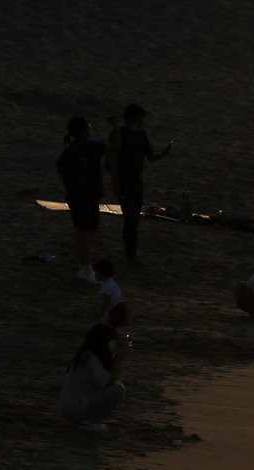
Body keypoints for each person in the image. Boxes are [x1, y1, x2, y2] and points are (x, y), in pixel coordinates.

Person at [109, 103, 171, 264]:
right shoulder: (119, 134)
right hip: (125, 183)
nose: (142, 122)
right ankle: (130, 255)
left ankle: (131, 253)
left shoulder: (141, 135)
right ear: (131, 119)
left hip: (136, 183)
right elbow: (112, 160)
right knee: (130, 218)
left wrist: (163, 154)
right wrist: (115, 183)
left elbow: (150, 157)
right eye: (140, 119)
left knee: (134, 219)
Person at [57, 116, 108, 284]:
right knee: (86, 233)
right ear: (84, 130)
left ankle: (84, 267)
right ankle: (86, 269)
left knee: (80, 232)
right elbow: (115, 148)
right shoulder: (91, 146)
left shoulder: (69, 150)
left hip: (75, 197)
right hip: (87, 197)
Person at [59, 323, 127, 433]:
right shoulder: (91, 359)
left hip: (72, 406)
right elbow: (108, 383)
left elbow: (103, 381)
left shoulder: (88, 355)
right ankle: (91, 422)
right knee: (118, 389)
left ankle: (88, 420)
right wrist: (119, 360)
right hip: (74, 407)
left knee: (113, 388)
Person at [93, 259, 129, 329]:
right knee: (114, 329)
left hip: (116, 310)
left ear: (103, 274)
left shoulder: (105, 287)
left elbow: (107, 302)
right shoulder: (111, 282)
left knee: (112, 330)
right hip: (121, 307)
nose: (95, 275)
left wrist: (101, 313)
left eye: (96, 273)